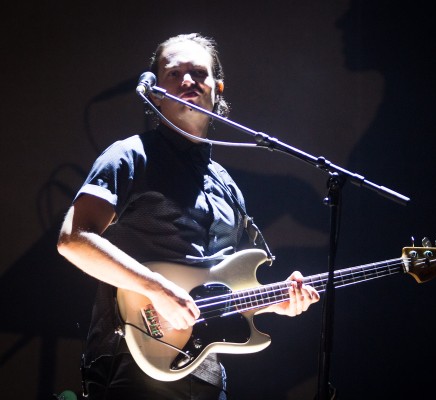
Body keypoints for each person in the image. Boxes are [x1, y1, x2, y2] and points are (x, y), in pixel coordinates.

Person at [57, 33, 320, 400]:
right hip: (132, 363)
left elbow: (230, 289)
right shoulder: (130, 155)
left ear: (218, 88)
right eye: (173, 73)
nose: (187, 81)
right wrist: (154, 288)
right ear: (153, 92)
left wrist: (280, 302)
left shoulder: (227, 186)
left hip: (207, 374)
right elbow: (73, 239)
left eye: (198, 72)